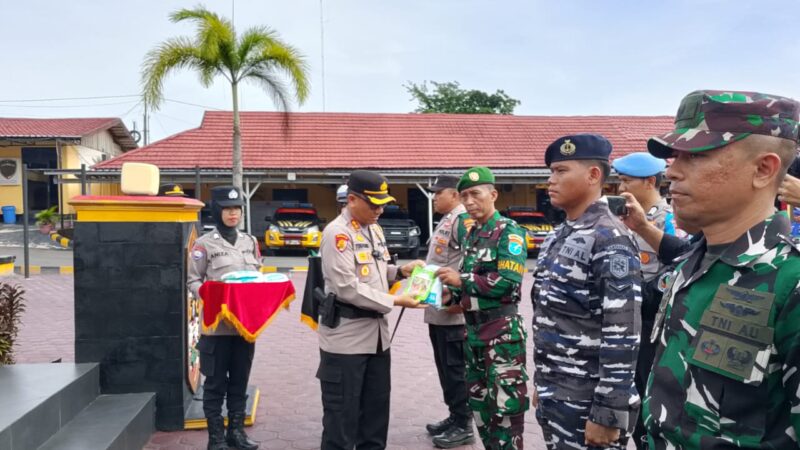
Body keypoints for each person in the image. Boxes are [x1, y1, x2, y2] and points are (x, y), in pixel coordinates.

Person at [642, 90, 800, 449]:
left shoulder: (791, 282)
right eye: (674, 156)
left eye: (695, 155)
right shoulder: (690, 263)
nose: (673, 171)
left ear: (763, 169)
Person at [531, 134, 642, 450]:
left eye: (561, 171)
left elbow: (623, 331)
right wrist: (545, 381)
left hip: (589, 400)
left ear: (594, 175)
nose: (551, 181)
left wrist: (609, 410)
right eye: (551, 172)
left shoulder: (610, 238)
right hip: (558, 389)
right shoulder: (560, 234)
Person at [317, 170, 425, 450]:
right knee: (341, 421)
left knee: (375, 418)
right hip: (346, 340)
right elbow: (347, 287)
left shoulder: (374, 229)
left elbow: (375, 271)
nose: (379, 210)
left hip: (378, 339)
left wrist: (400, 271)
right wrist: (397, 301)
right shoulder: (336, 234)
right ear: (352, 199)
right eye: (373, 204)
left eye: (383, 204)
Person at [436, 166, 529, 450]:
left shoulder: (509, 232)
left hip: (502, 337)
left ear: (493, 194)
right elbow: (469, 287)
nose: (469, 201)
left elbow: (507, 281)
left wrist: (460, 279)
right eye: (464, 196)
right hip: (474, 334)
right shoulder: (472, 235)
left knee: (505, 413)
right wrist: (448, 296)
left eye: (475, 194)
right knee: (480, 409)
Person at [611, 152, 680, 450]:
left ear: (650, 181)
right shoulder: (619, 219)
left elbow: (675, 270)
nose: (619, 187)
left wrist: (644, 292)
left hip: (651, 321)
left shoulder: (670, 220)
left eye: (626, 180)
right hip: (622, 320)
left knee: (646, 390)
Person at [187, 186, 262, 450]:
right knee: (216, 384)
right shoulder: (204, 245)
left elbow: (257, 278)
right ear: (218, 211)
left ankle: (236, 434)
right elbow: (193, 280)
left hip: (244, 328)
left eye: (237, 209)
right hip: (216, 328)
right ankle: (216, 438)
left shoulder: (250, 242)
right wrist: (209, 295)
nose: (233, 214)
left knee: (239, 383)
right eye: (228, 209)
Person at [421, 175, 474, 448]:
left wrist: (458, 296)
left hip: (453, 313)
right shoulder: (447, 218)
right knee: (444, 368)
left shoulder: (462, 220)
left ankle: (464, 424)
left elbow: (470, 261)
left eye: (438, 193)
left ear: (454, 194)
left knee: (456, 371)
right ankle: (455, 416)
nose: (433, 197)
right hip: (439, 310)